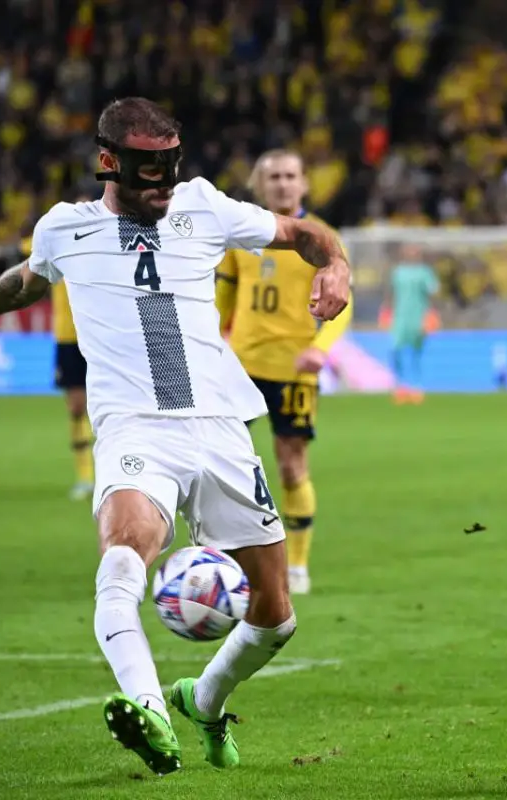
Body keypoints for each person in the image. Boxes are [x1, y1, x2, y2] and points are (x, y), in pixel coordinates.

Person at [0, 97, 350, 775]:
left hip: (218, 427)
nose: (160, 185)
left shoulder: (206, 206)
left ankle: (204, 700)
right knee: (125, 554)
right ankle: (150, 711)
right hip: (135, 426)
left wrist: (336, 269)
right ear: (108, 162)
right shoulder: (65, 229)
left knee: (276, 618)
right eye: (145, 172)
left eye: (169, 168)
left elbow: (307, 237)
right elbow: (28, 279)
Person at [217, 149, 353, 596]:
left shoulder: (322, 239)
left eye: (290, 175)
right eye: (273, 176)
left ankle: (296, 565)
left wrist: (321, 349)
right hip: (239, 368)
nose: (282, 183)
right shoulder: (242, 235)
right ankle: (222, 559)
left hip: (294, 369)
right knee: (219, 465)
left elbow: (343, 306)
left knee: (292, 466)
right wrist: (212, 343)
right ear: (260, 184)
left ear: (305, 183)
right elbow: (225, 299)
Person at [22, 195, 96, 500]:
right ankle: (85, 477)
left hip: (99, 335)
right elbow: (16, 252)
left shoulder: (101, 245)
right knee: (77, 407)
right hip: (67, 338)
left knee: (110, 408)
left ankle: (115, 473)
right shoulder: (53, 240)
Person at [385, 243, 439, 404]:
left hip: (418, 317)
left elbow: (433, 294)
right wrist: (386, 311)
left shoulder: (425, 273)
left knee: (417, 353)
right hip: (400, 317)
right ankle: (400, 386)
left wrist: (431, 315)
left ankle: (417, 387)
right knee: (396, 350)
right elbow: (391, 294)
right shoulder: (398, 272)